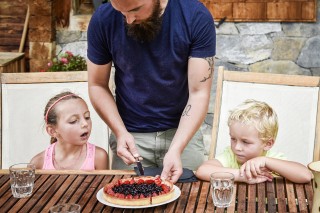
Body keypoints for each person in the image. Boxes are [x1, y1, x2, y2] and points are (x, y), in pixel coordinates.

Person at [86, 0, 216, 183]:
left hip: (182, 134)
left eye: (135, 10)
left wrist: (176, 148)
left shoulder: (195, 16)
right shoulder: (102, 19)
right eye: (121, 12)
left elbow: (199, 93)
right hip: (130, 137)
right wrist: (120, 132)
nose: (129, 20)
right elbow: (97, 85)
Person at [196, 99, 312, 184]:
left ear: (268, 144)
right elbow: (202, 171)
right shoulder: (231, 156)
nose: (237, 147)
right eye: (233, 139)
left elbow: (306, 175)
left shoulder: (272, 158)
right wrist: (242, 176)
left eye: (245, 142)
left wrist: (265, 161)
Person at [30, 92, 109, 170]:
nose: (85, 123)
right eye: (73, 121)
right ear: (52, 131)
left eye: (87, 117)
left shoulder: (99, 157)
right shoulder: (38, 163)